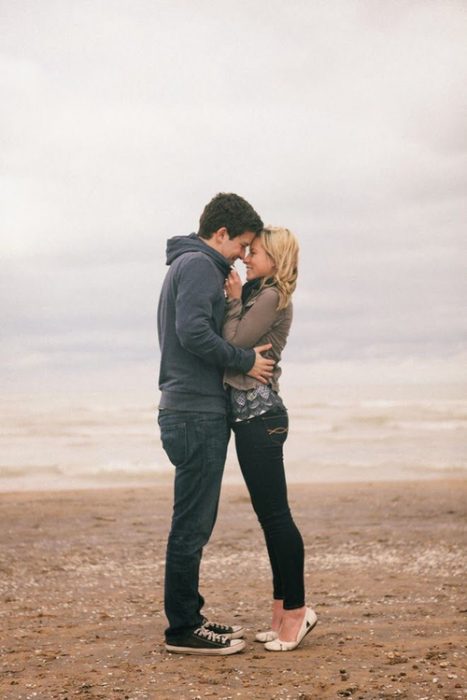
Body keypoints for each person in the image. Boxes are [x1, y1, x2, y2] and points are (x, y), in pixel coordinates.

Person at [157, 193, 275, 656]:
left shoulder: (189, 264)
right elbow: (193, 333)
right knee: (192, 524)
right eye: (242, 245)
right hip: (194, 411)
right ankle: (183, 629)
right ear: (220, 234)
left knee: (193, 521)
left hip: (188, 408)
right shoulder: (201, 265)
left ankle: (190, 617)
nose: (243, 257)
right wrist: (244, 359)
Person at [223, 226, 318, 652]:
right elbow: (239, 353)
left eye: (254, 251)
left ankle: (296, 614)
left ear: (275, 259)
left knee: (277, 517)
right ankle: (281, 614)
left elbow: (235, 341)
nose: (245, 256)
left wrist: (232, 299)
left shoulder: (269, 296)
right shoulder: (261, 294)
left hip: (261, 417)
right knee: (270, 518)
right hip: (251, 418)